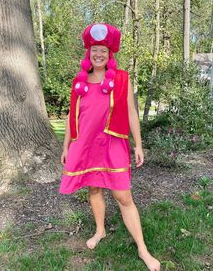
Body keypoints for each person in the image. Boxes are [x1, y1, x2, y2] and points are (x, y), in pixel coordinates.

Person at [59, 23, 160, 271]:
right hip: (86, 145)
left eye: (103, 50)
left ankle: (143, 250)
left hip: (112, 144)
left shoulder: (122, 79)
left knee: (123, 195)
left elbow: (131, 113)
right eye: (95, 50)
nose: (99, 54)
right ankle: (100, 230)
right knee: (94, 190)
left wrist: (138, 144)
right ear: (89, 52)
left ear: (110, 52)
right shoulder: (79, 82)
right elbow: (72, 115)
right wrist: (66, 146)